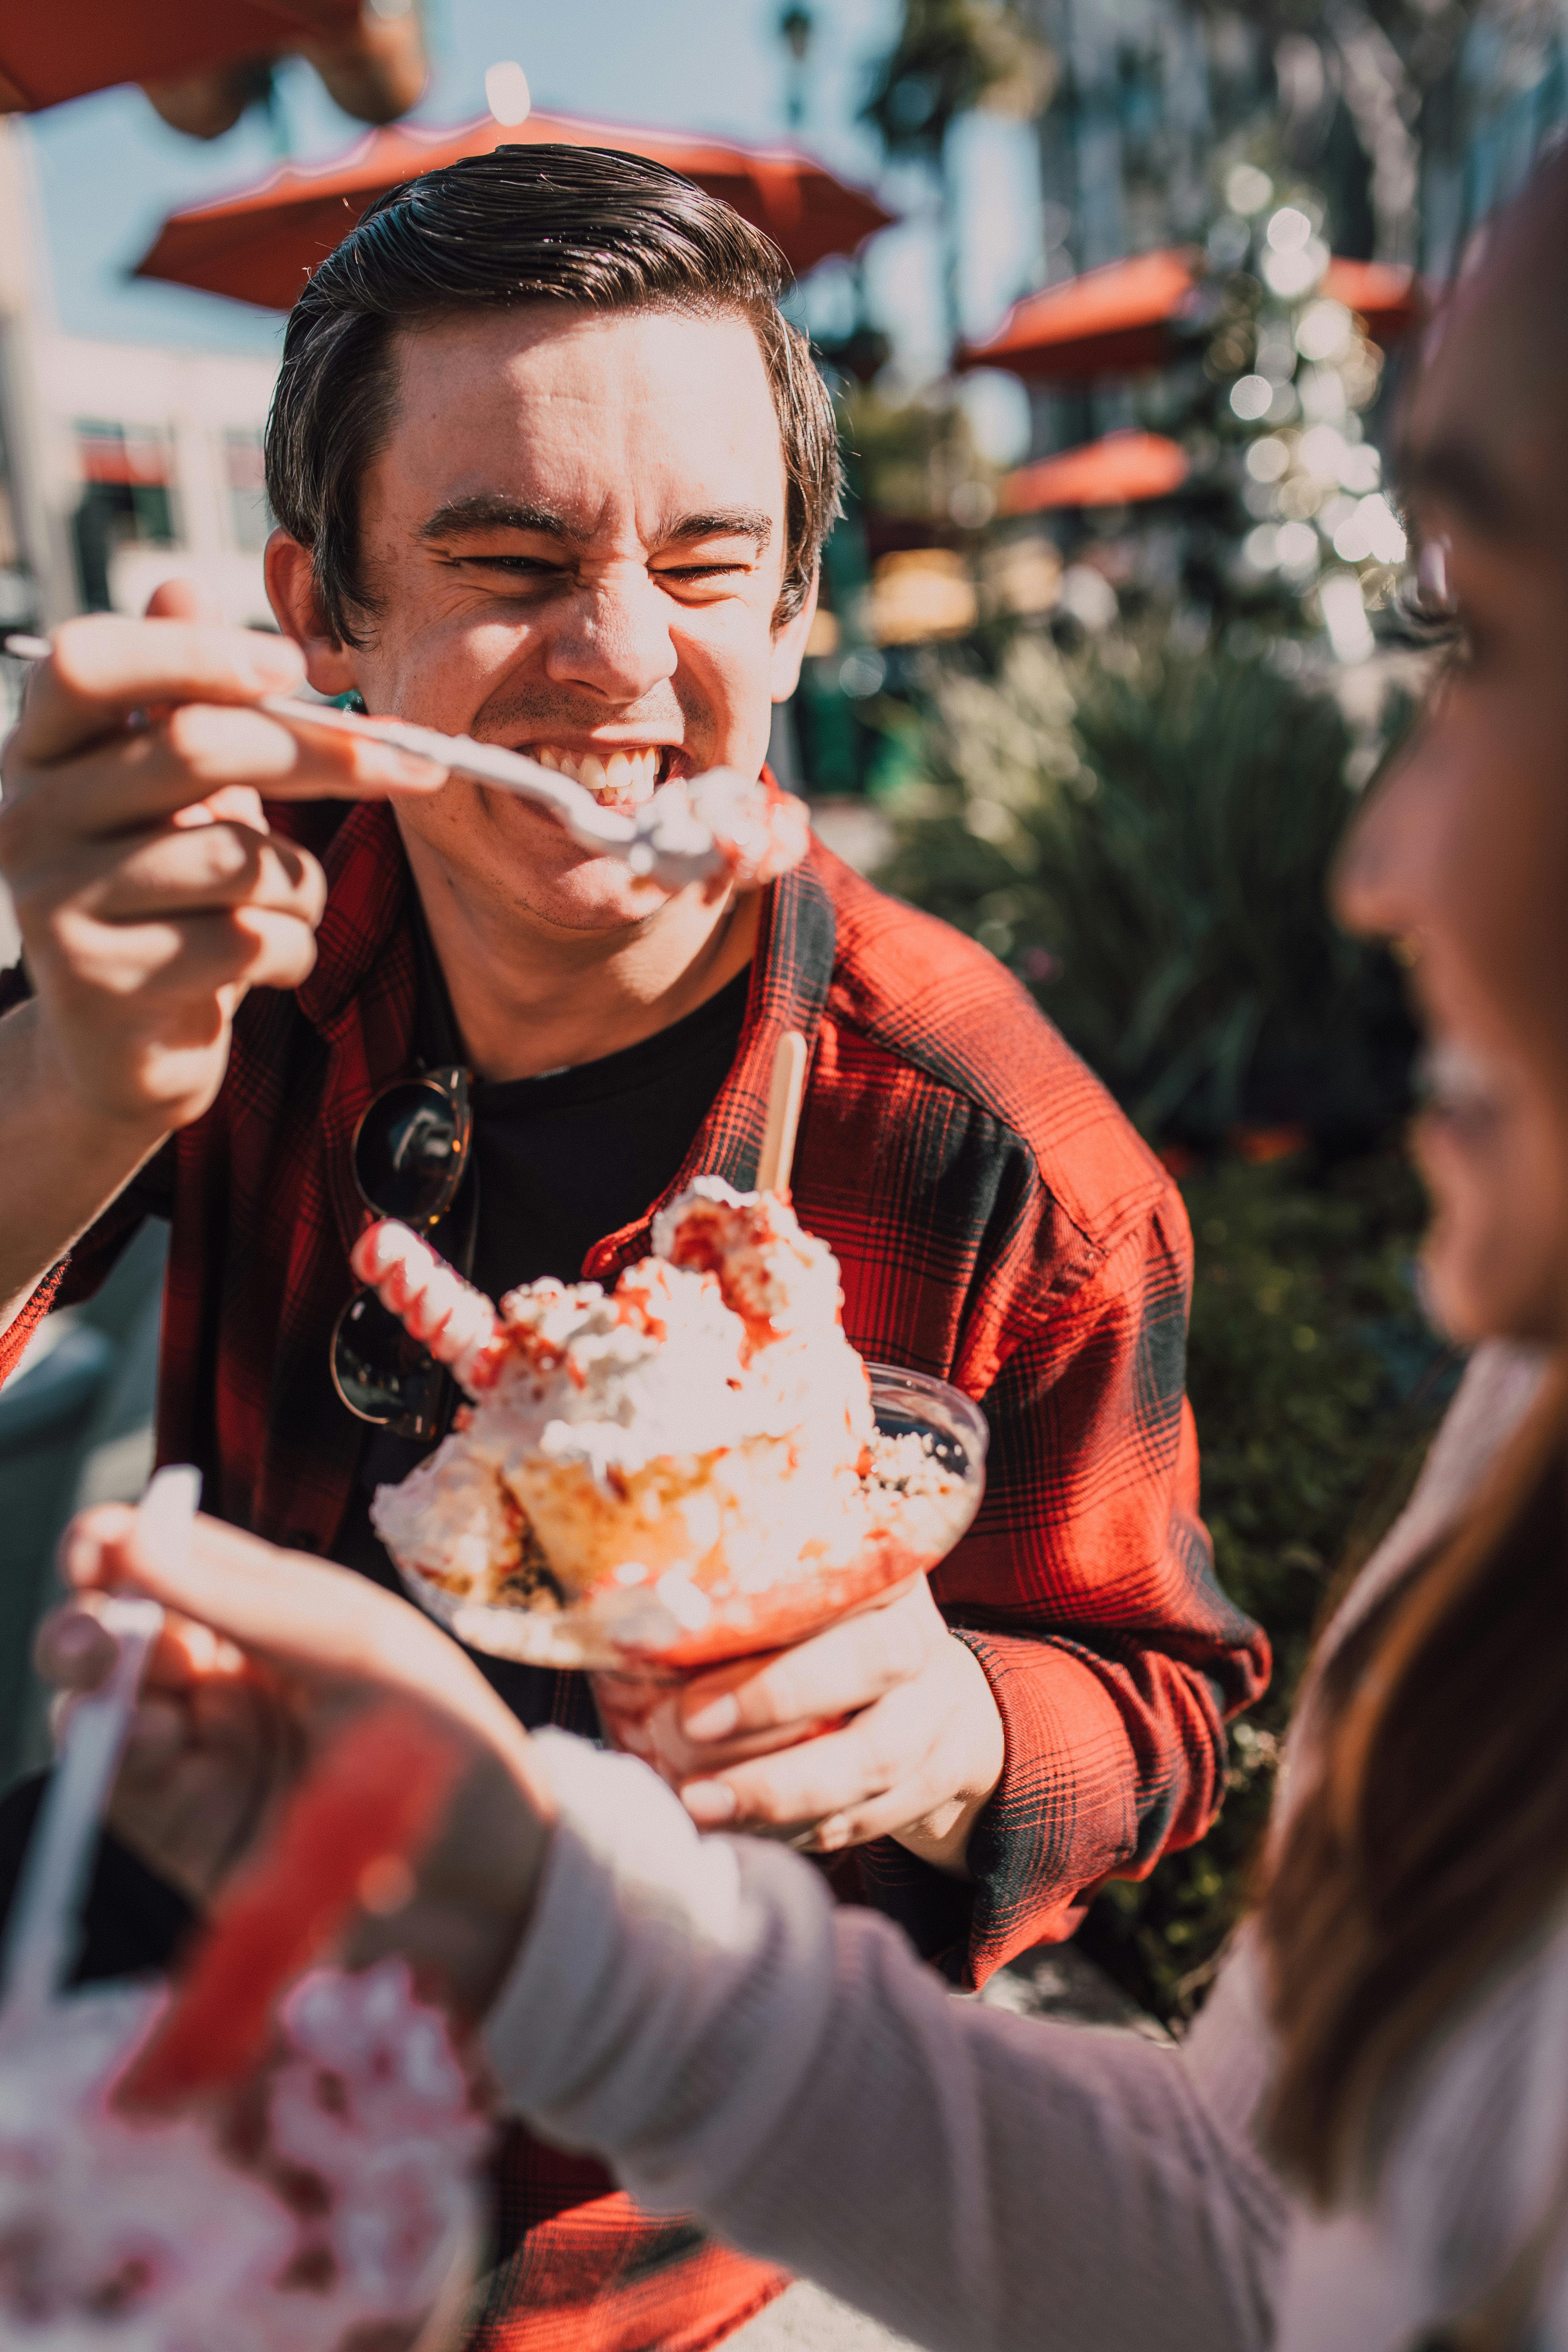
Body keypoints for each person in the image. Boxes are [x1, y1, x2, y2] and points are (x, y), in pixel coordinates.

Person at [40, 141, 1568, 2352]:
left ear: (794, 614)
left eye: (706, 565)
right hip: (195, 2114)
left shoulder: (1002, 1155)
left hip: (713, 2245)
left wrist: (959, 1723)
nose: (618, 658)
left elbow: (1162, 1707)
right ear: (323, 619)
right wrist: (90, 1072)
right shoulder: (243, 932)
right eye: (503, 552)